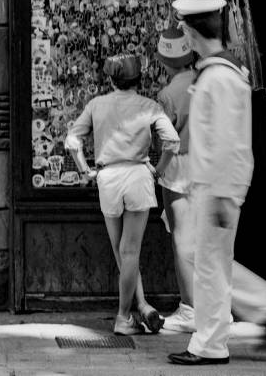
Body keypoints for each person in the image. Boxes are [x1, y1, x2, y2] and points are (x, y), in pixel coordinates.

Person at [167, 0, 266, 367]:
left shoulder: (217, 77)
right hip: (217, 185)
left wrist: (216, 193)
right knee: (208, 261)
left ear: (189, 31)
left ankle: (211, 342)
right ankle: (255, 310)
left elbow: (223, 140)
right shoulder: (223, 73)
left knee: (209, 265)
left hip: (215, 186)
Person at [65, 53, 179, 336]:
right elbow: (172, 141)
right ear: (138, 79)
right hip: (138, 175)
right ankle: (125, 314)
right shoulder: (149, 105)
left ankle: (138, 309)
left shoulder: (96, 104)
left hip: (108, 177)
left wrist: (84, 170)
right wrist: (159, 171)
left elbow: (71, 140)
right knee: (129, 252)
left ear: (111, 79)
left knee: (121, 251)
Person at [153, 24, 197, 333]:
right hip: (206, 165)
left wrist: (157, 169)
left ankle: (190, 307)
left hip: (179, 168)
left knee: (182, 238)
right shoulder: (204, 81)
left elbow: (165, 139)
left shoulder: (168, 94)